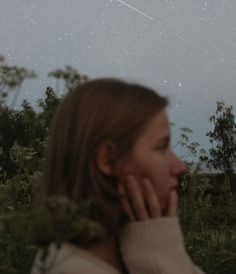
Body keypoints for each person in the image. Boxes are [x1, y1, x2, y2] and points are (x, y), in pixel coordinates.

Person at [31, 77, 205, 274]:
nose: (179, 166)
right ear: (107, 160)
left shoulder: (147, 249)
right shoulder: (70, 268)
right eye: (161, 147)